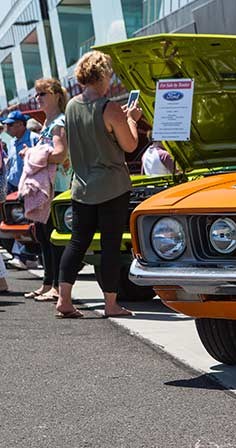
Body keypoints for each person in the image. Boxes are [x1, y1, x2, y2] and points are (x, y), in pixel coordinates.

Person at [55, 50, 142, 319]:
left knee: (77, 242)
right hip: (111, 186)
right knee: (110, 244)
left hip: (81, 185)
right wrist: (132, 119)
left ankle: (64, 300)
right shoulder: (110, 107)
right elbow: (130, 145)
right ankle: (111, 304)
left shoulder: (71, 106)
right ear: (103, 75)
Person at [24, 78, 70, 301]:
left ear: (56, 95)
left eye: (42, 94)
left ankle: (57, 287)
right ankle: (48, 283)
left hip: (57, 187)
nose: (38, 98)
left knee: (53, 238)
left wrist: (33, 155)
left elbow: (61, 154)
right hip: (48, 188)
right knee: (43, 236)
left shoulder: (59, 121)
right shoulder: (48, 122)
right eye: (37, 94)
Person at [1, 110, 40, 270]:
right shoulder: (11, 142)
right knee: (16, 223)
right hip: (13, 187)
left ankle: (26, 255)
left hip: (29, 187)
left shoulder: (34, 139)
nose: (7, 128)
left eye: (10, 125)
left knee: (30, 223)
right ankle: (25, 255)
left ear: (20, 124)